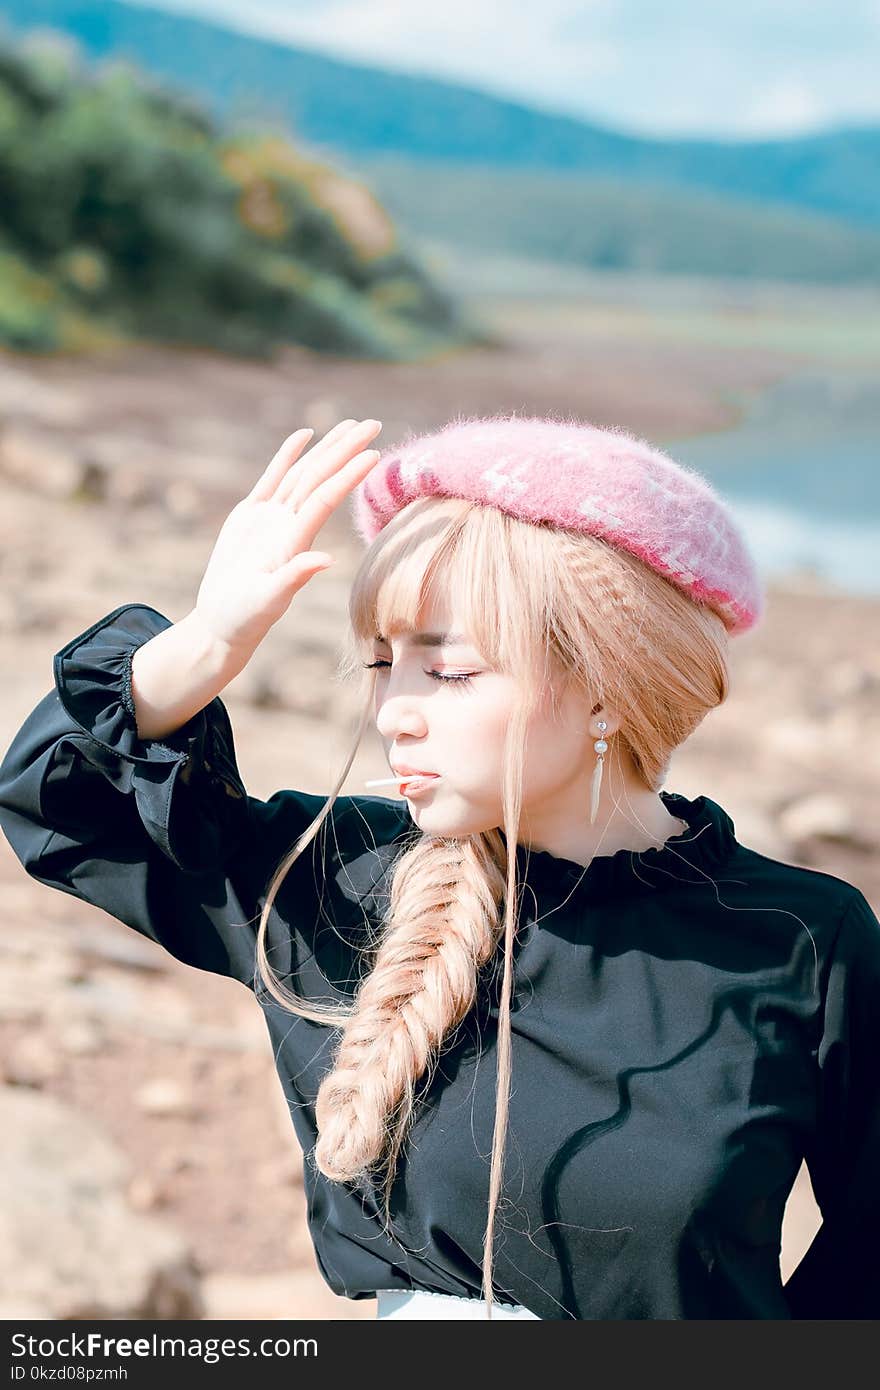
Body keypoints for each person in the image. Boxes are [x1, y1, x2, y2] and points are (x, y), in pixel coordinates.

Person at [0, 413, 877, 1322]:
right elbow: (58, 810)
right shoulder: (333, 879)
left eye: (447, 672)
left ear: (608, 684)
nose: (394, 713)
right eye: (382, 663)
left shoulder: (803, 938)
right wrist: (208, 645)